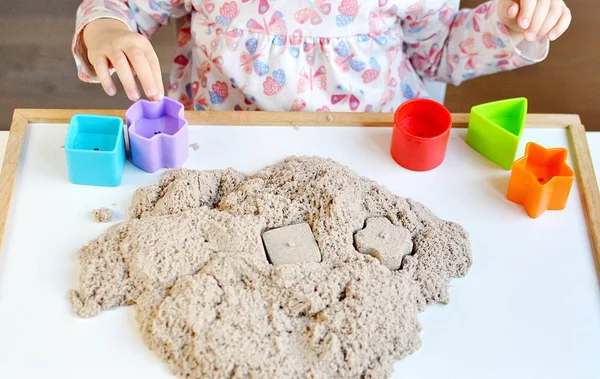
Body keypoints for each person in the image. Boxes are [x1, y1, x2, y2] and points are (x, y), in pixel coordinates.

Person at [72, 0, 571, 112]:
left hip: (373, 153)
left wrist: (507, 26)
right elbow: (125, 8)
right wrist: (107, 28)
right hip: (222, 147)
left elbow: (437, 55)